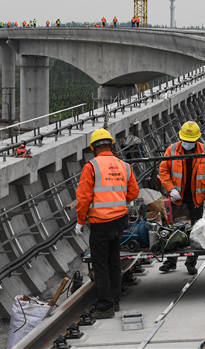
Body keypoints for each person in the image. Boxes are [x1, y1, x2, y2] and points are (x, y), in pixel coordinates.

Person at [75, 129, 139, 318]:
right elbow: (133, 192)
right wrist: (120, 199)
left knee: (100, 264)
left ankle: (105, 306)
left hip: (101, 222)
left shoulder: (91, 167)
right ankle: (115, 300)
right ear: (110, 145)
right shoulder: (124, 165)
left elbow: (84, 197)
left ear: (94, 147)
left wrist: (80, 221)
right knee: (113, 261)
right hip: (120, 220)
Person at [158, 121, 205, 274]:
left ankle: (191, 262)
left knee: (196, 231)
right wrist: (171, 190)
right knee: (175, 230)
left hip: (196, 198)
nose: (188, 144)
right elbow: (163, 172)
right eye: (186, 141)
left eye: (191, 142)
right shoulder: (171, 150)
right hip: (177, 198)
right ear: (180, 138)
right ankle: (171, 261)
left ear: (197, 140)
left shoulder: (204, 151)